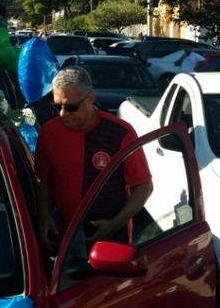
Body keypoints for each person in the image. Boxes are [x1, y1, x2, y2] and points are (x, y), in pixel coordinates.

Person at [35, 66, 153, 251]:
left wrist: (114, 224)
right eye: (57, 106)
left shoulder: (120, 132)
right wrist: (44, 216)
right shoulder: (49, 132)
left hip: (113, 237)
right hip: (65, 235)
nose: (63, 114)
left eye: (71, 107)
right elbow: (46, 181)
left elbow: (145, 186)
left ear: (90, 98)